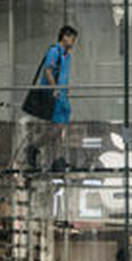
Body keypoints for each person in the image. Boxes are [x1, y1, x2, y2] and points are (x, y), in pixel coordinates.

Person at [40, 25, 77, 168]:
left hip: (62, 95)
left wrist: (65, 89)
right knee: (57, 127)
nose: (73, 42)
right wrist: (55, 88)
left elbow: (63, 74)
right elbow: (48, 70)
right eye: (72, 38)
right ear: (64, 37)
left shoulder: (67, 55)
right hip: (54, 95)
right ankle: (35, 146)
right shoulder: (54, 51)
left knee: (60, 128)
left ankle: (58, 158)